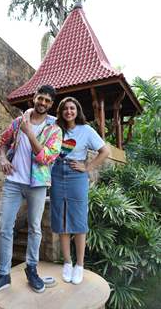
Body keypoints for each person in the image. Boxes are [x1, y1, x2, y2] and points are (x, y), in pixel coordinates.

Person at [0, 85, 62, 296]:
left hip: (37, 184)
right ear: (33, 98)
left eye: (47, 100)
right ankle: (3, 275)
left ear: (51, 104)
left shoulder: (55, 129)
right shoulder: (18, 122)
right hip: (13, 182)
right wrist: (2, 158)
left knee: (35, 228)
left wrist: (30, 134)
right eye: (40, 98)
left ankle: (31, 269)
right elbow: (2, 142)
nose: (42, 103)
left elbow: (46, 158)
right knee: (4, 227)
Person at [50, 97, 109, 285]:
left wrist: (88, 167)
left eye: (72, 108)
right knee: (61, 219)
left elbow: (105, 151)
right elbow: (32, 116)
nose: (69, 111)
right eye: (65, 108)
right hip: (57, 174)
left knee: (78, 220)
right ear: (60, 111)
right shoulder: (55, 127)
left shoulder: (86, 130)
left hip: (77, 176)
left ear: (77, 111)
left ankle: (80, 265)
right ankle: (67, 263)